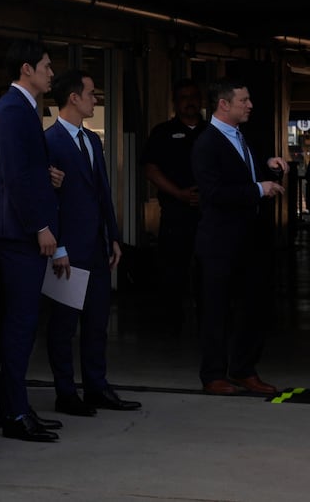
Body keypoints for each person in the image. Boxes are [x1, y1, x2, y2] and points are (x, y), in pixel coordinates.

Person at [43, 69, 141, 417]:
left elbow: (102, 192)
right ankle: (66, 392)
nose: (95, 99)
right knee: (64, 325)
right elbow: (47, 202)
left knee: (97, 323)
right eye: (90, 93)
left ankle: (97, 387)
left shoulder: (92, 140)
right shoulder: (50, 141)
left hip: (98, 247)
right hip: (68, 250)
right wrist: (59, 247)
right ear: (73, 97)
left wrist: (113, 236)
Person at [0, 38, 68, 442]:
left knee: (24, 322)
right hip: (18, 235)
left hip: (20, 231)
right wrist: (40, 226)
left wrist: (47, 176)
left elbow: (24, 170)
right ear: (26, 69)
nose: (51, 73)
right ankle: (16, 414)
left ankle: (15, 409)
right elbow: (15, 177)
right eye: (46, 66)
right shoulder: (14, 109)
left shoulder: (22, 109)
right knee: (21, 324)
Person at [191, 80, 287, 395]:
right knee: (217, 309)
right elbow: (214, 192)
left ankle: (244, 369)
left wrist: (268, 170)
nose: (250, 105)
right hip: (220, 241)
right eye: (244, 100)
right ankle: (214, 374)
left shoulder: (239, 137)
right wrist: (260, 189)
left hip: (248, 240)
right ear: (224, 104)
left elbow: (243, 176)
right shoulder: (207, 142)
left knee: (253, 306)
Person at [141, 79, 205, 332]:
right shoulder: (163, 132)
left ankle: (209, 319)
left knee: (209, 268)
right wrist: (178, 193)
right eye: (183, 97)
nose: (189, 102)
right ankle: (170, 323)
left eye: (193, 96)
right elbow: (150, 168)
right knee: (172, 268)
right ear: (175, 102)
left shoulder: (213, 132)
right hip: (176, 213)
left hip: (208, 214)